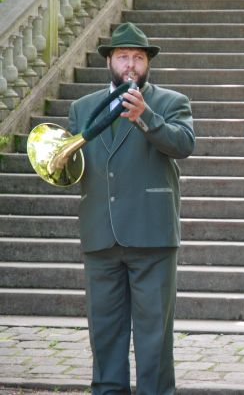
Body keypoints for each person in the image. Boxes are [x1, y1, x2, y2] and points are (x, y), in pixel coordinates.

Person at [68, 22, 195, 394]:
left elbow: (183, 145)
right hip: (100, 233)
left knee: (154, 334)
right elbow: (76, 166)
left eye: (138, 58)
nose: (130, 65)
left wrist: (146, 117)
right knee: (104, 332)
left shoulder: (171, 102)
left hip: (151, 234)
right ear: (109, 61)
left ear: (147, 63)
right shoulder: (81, 108)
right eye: (123, 57)